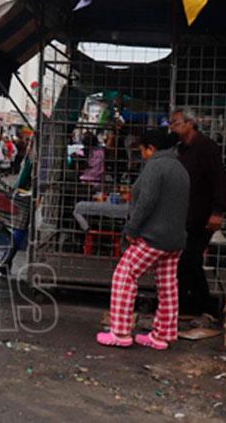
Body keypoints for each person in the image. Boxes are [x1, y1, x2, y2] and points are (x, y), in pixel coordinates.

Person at [97, 128, 190, 350]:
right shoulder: (180, 168)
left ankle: (120, 332)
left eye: (143, 151)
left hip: (153, 237)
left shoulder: (155, 166)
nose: (143, 155)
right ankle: (162, 336)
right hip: (175, 238)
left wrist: (132, 229)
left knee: (124, 275)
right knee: (168, 286)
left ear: (151, 148)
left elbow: (146, 202)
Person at [170, 108, 226, 316]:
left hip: (202, 215)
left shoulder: (206, 147)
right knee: (187, 261)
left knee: (190, 259)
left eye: (176, 123)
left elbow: (220, 180)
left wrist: (218, 211)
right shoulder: (181, 149)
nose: (173, 127)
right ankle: (197, 305)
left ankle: (201, 305)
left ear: (190, 123)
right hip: (185, 214)